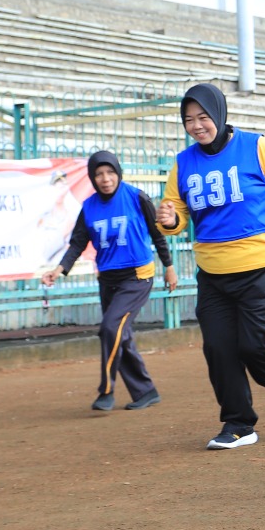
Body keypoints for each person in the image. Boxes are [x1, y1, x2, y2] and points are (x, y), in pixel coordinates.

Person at [157, 83, 265, 450]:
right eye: (189, 120)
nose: (197, 126)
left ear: (219, 114)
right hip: (213, 272)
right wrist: (169, 219)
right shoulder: (183, 163)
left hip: (261, 265)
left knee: (256, 345)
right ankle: (238, 424)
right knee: (219, 349)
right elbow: (177, 215)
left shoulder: (256, 146)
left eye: (203, 117)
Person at [42, 150, 176, 412]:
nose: (105, 179)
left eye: (110, 172)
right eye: (99, 174)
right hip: (108, 279)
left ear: (118, 173)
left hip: (137, 277)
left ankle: (106, 390)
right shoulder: (89, 206)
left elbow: (157, 235)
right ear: (92, 177)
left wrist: (169, 267)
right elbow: (78, 243)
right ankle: (146, 391)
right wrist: (59, 269)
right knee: (119, 335)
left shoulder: (137, 198)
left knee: (109, 329)